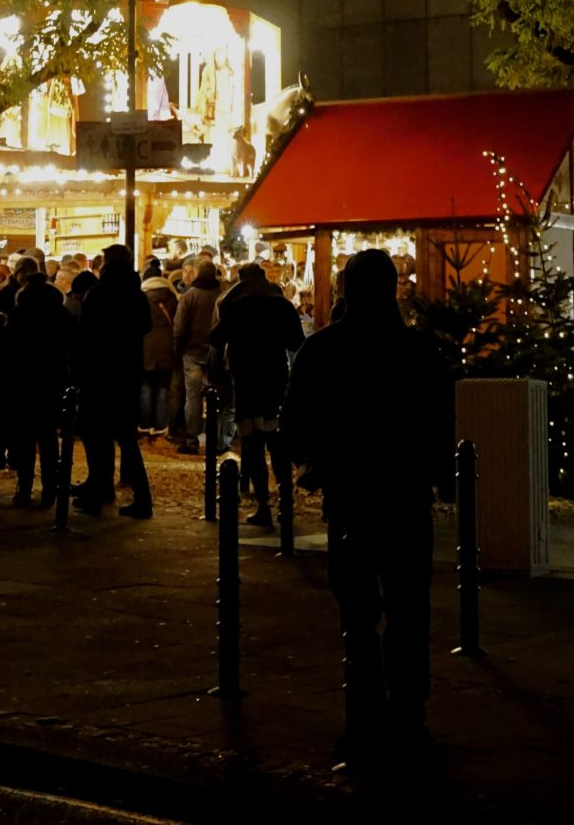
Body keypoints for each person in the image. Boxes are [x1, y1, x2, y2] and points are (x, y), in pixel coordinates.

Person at [282, 248, 455, 765]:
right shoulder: (419, 351)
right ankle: (408, 720)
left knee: (358, 619)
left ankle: (363, 722)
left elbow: (293, 429)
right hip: (404, 496)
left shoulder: (324, 350)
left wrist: (317, 459)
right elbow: (440, 425)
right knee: (408, 611)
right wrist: (439, 476)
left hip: (351, 496)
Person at [211, 261, 303, 529]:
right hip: (275, 380)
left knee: (253, 444)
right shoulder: (281, 304)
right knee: (277, 444)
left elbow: (216, 338)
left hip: (247, 381)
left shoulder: (237, 305)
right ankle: (286, 503)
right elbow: (296, 342)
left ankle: (263, 504)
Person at [76, 244, 153, 518]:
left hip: (100, 373)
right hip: (127, 372)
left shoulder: (99, 294)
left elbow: (86, 334)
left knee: (98, 436)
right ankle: (142, 498)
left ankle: (99, 491)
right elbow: (145, 326)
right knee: (126, 439)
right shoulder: (136, 294)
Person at [6, 256, 68, 507]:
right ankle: (50, 488)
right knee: (48, 437)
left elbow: (9, 349)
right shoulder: (58, 318)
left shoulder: (19, 318)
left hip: (24, 380)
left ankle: (24, 486)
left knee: (25, 436)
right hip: (51, 380)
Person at [172, 255, 222, 454]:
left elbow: (180, 326)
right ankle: (216, 441)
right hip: (215, 352)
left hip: (192, 352)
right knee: (216, 399)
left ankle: (192, 440)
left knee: (192, 399)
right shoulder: (222, 295)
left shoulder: (190, 296)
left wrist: (177, 347)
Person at [140, 264, 178, 435]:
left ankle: (145, 423)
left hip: (145, 346)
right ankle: (160, 425)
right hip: (166, 346)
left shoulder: (141, 297)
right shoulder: (172, 297)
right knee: (163, 387)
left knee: (146, 386)